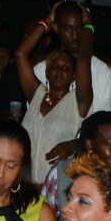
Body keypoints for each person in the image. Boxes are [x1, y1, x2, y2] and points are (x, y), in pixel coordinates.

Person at [16, 17, 93, 182]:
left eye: (66, 68)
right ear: (46, 72)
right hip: (24, 185)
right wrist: (46, 22)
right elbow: (20, 54)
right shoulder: (37, 95)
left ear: (74, 76)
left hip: (56, 187)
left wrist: (88, 26)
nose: (59, 71)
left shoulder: (78, 101)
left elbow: (84, 56)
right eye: (54, 67)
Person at [29, 2, 111, 117]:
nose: (75, 35)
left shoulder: (101, 71)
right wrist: (47, 21)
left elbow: (104, 119)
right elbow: (33, 113)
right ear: (56, 27)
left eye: (80, 28)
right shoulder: (41, 69)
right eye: (68, 29)